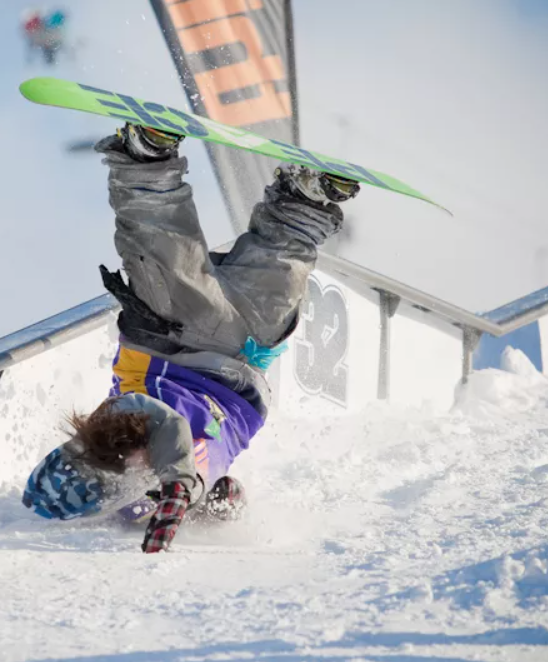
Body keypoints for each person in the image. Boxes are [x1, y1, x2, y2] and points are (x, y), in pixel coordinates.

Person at [22, 123, 360, 553]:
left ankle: (147, 161)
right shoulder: (145, 503)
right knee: (280, 275)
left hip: (175, 342)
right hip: (246, 355)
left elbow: (169, 426)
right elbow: (226, 494)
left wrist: (179, 488)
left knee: (170, 257)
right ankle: (305, 201)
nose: (131, 468)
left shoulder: (119, 422)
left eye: (112, 467)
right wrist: (208, 502)